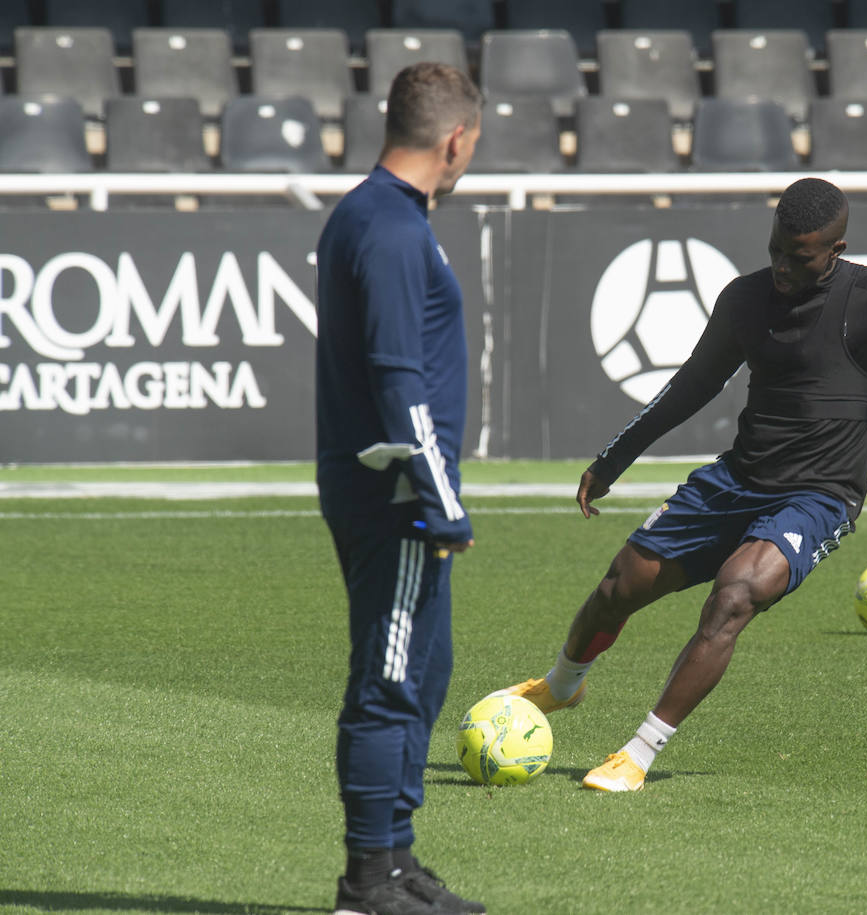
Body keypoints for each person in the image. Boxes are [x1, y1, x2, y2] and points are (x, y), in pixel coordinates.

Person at [492, 178, 867, 792]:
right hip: (738, 477)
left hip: (820, 494)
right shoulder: (745, 299)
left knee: (734, 596)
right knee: (618, 587)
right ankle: (563, 685)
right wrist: (613, 459)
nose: (783, 268)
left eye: (800, 257)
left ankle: (638, 752)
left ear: (836, 251)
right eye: (775, 251)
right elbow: (692, 386)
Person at [315, 62, 485, 914]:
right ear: (455, 138)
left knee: (424, 669)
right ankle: (366, 879)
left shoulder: (383, 216)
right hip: (395, 497)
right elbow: (396, 377)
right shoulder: (387, 227)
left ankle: (399, 858)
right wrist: (438, 494)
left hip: (397, 492)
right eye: (472, 147)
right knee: (389, 679)